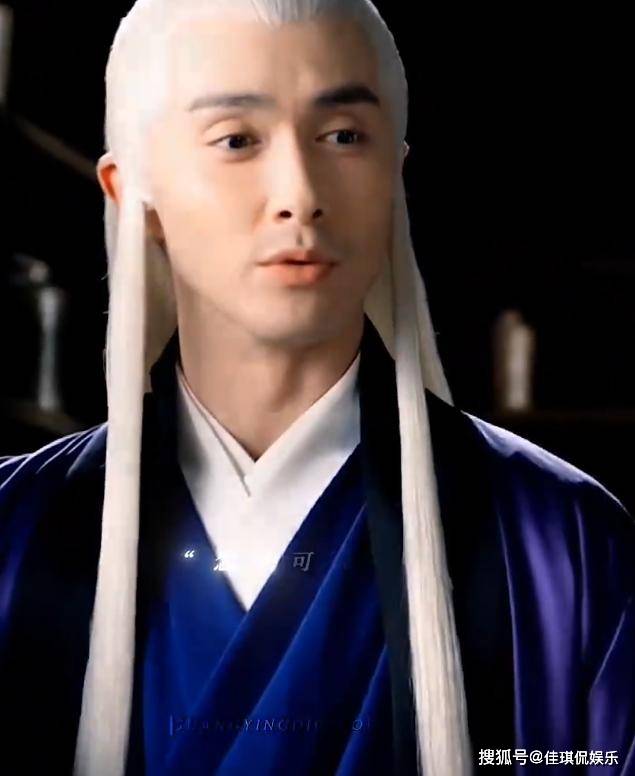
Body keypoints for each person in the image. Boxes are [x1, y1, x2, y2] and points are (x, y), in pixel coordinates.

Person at [1, 1, 634, 775]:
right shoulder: (14, 533)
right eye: (236, 140)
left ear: (394, 173)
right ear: (133, 192)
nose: (299, 193)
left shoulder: (558, 541)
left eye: (342, 136)